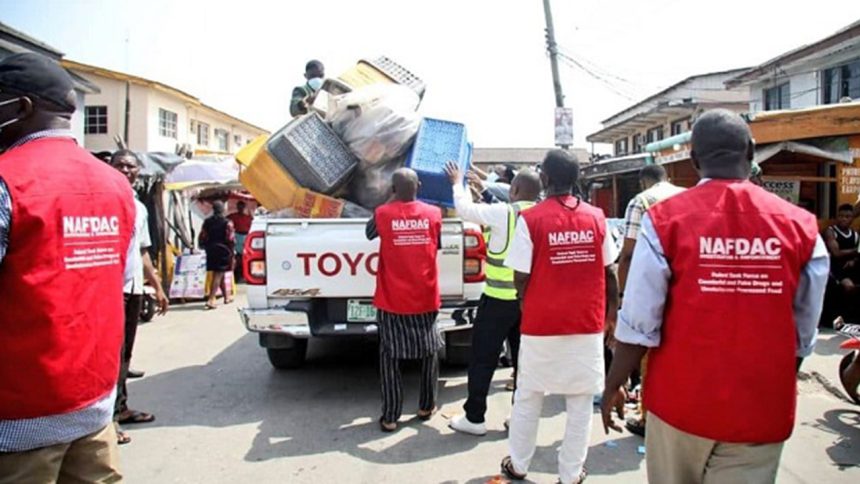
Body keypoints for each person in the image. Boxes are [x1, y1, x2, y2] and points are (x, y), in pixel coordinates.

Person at [601, 109, 829, 484]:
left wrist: (614, 383)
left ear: (694, 160)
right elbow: (803, 332)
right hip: (760, 410)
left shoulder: (664, 221)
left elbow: (641, 319)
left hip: (680, 403)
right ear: (751, 151)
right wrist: (774, 383)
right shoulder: (801, 226)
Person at [0, 53, 136, 482]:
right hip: (93, 407)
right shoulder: (116, 185)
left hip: (19, 421)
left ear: (21, 107)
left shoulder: (7, 180)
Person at [500, 149, 619, 484]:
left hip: (541, 324)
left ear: (545, 179)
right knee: (580, 402)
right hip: (586, 323)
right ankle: (570, 473)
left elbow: (520, 276)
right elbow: (609, 272)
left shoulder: (531, 219)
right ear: (576, 178)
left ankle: (519, 464)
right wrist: (611, 314)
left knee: (528, 396)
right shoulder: (596, 217)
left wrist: (526, 301)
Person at [443, 161, 542, 436]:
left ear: (515, 189)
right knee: (525, 363)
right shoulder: (543, 214)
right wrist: (484, 191)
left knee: (483, 359)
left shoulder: (503, 214)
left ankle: (474, 418)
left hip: (497, 301)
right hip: (530, 304)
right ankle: (519, 419)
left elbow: (465, 210)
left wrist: (457, 182)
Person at [366, 168, 443, 432]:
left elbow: (369, 233)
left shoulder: (383, 214)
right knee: (430, 352)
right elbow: (437, 244)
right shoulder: (434, 214)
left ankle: (390, 416)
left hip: (392, 299)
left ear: (393, 189)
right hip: (425, 296)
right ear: (419, 185)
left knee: (389, 356)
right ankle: (426, 406)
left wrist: (391, 199)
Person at [616, 163, 685, 437]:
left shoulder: (641, 201)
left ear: (643, 182)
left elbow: (628, 254)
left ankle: (649, 417)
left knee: (648, 354)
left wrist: (622, 295)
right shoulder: (686, 195)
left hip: (652, 287)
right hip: (685, 286)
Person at [109, 149, 169, 444]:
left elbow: (143, 250)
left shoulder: (140, 207)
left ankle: (120, 409)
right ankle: (107, 421)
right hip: (109, 290)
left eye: (131, 166)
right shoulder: (103, 200)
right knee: (111, 355)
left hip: (132, 288)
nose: (126, 170)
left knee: (125, 354)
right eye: (120, 165)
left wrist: (157, 286)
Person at [824, 203, 859, 325]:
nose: (844, 219)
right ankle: (840, 317)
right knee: (848, 286)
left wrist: (854, 260)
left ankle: (852, 317)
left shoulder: (855, 235)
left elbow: (857, 255)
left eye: (847, 216)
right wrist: (856, 251)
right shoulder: (830, 231)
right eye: (841, 216)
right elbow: (836, 253)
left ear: (852, 218)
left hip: (850, 269)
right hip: (834, 269)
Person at [199, 200, 235, 309]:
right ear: (223, 210)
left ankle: (226, 297)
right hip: (223, 250)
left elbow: (202, 236)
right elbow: (231, 238)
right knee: (218, 273)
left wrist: (203, 246)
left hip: (210, 249)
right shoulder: (227, 222)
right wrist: (232, 251)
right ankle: (211, 299)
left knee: (220, 272)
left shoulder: (207, 222)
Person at [228, 200, 253, 281]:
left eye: (242, 206)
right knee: (237, 256)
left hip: (246, 237)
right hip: (237, 236)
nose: (241, 208)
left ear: (244, 207)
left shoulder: (248, 218)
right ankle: (237, 274)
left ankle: (243, 274)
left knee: (244, 256)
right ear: (237, 207)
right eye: (239, 206)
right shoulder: (233, 216)